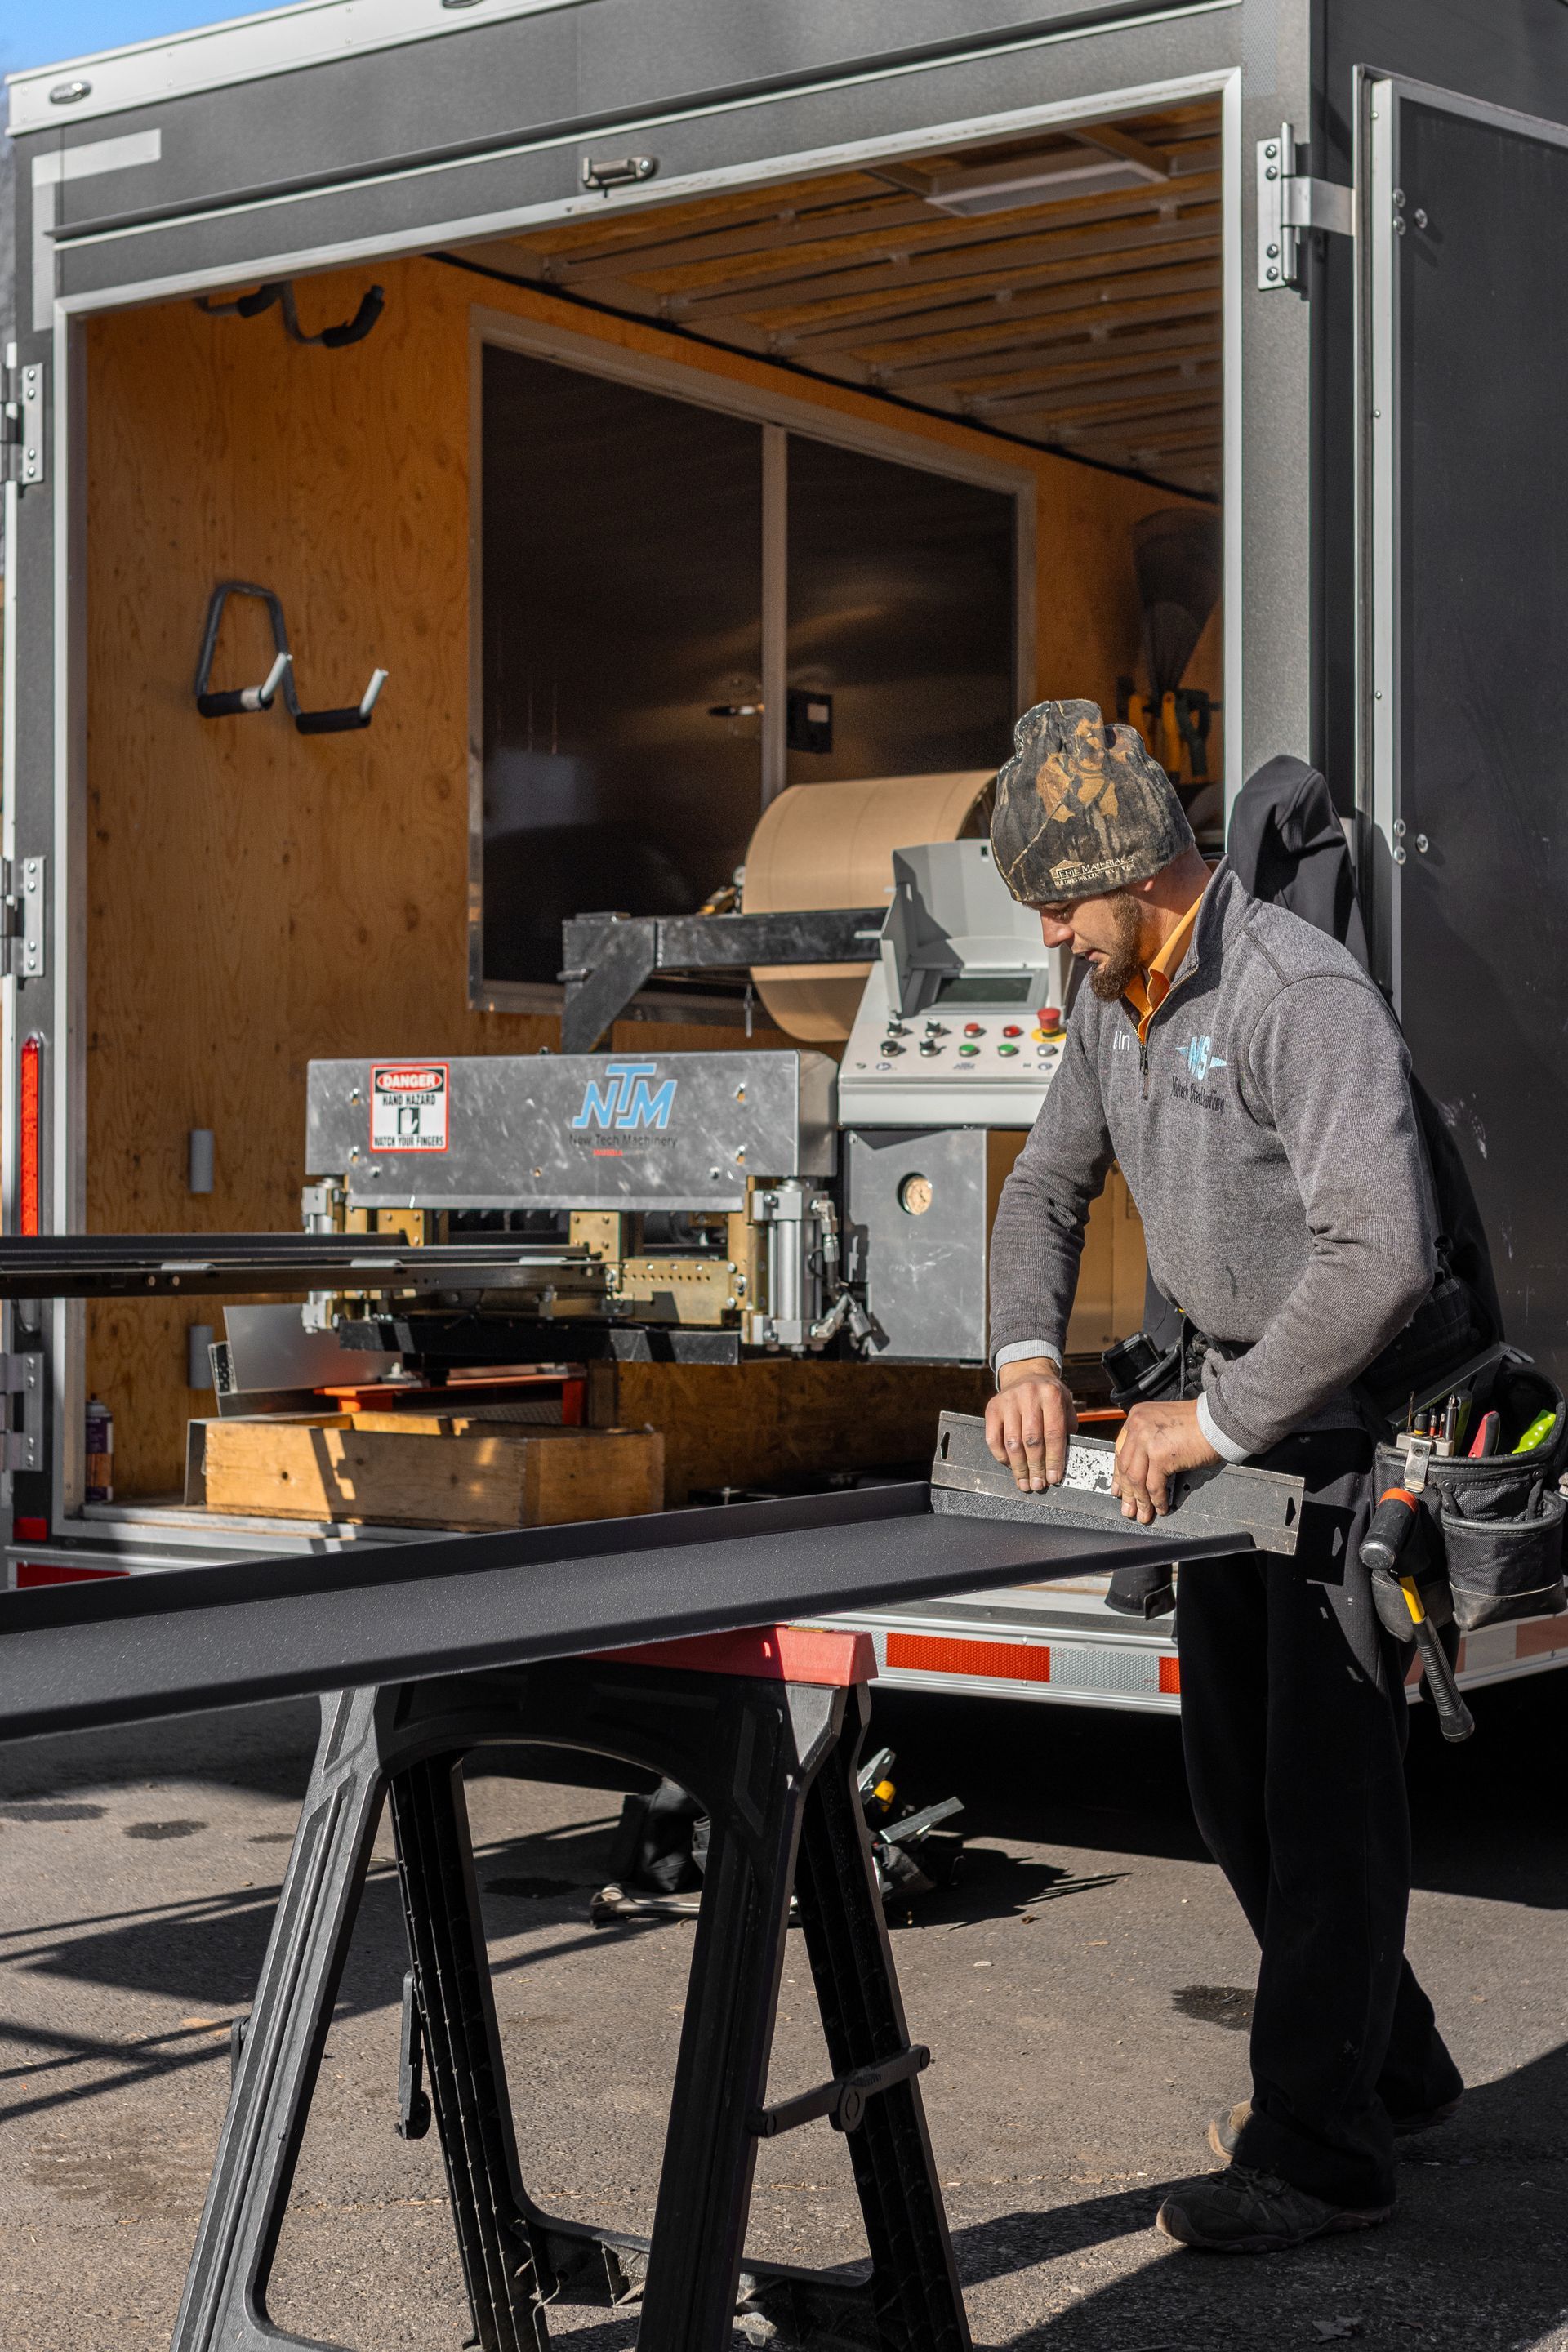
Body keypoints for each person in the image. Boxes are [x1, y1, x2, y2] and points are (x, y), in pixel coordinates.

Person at [983, 698, 1463, 2255]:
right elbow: (1047, 1186)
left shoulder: (1291, 995)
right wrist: (1027, 1360)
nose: (1048, 933)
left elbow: (1383, 1254)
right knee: (1232, 1792)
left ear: (1137, 866)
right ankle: (1392, 2065)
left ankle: (1321, 2155)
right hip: (1231, 1440)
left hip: (1328, 1432)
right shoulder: (1112, 997)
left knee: (1325, 1809)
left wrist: (1223, 1419)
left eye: (1058, 899)